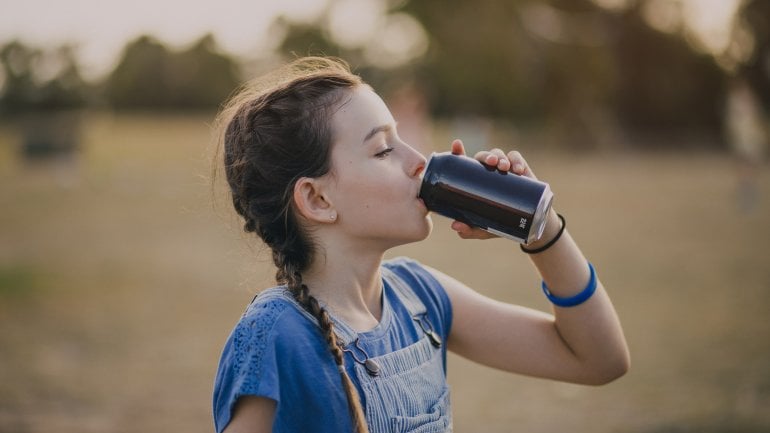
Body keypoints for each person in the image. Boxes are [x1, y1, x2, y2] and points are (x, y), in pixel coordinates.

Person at [211, 56, 629, 433]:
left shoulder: (419, 295)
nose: (420, 161)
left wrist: (540, 227)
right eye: (383, 149)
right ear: (318, 200)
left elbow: (598, 360)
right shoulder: (277, 334)